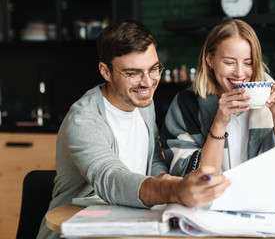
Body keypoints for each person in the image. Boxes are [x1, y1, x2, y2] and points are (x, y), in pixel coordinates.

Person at [37, 20, 230, 239]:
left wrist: (166, 178)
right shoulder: (84, 120)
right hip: (76, 232)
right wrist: (174, 191)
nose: (148, 83)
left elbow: (152, 159)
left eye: (154, 69)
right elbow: (111, 179)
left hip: (126, 226)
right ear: (106, 71)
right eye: (133, 73)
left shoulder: (142, 103)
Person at [160, 19, 275, 198]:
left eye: (248, 62)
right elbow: (193, 183)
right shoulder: (186, 104)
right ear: (210, 60)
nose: (240, 73)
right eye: (229, 62)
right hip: (212, 210)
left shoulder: (273, 95)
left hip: (265, 208)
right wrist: (219, 122)